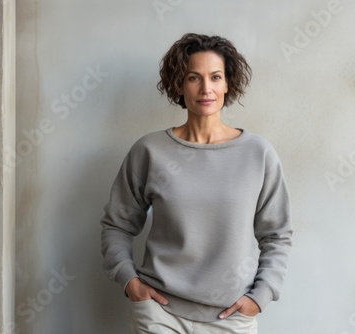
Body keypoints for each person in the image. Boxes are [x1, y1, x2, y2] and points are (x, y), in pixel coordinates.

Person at [101, 33, 293, 334]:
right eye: (194, 78)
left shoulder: (258, 153)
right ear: (179, 83)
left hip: (230, 317)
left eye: (215, 77)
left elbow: (277, 235)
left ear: (228, 83)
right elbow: (117, 225)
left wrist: (261, 295)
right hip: (159, 314)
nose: (206, 88)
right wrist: (131, 283)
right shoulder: (150, 151)